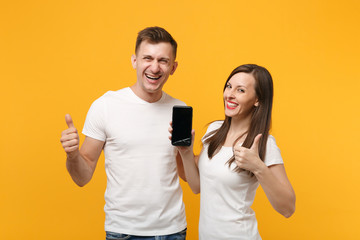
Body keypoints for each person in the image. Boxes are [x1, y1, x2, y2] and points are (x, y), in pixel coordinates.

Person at [60, 26, 188, 240]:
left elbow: (189, 175)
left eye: (163, 61)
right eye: (147, 58)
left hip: (173, 230)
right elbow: (82, 177)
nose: (154, 68)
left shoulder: (180, 110)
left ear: (173, 67)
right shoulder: (106, 106)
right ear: (134, 61)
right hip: (123, 232)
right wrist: (72, 155)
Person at [169, 64, 296, 239]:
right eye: (229, 86)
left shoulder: (263, 143)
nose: (230, 94)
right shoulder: (214, 130)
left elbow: (288, 208)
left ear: (257, 99)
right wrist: (185, 151)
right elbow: (197, 187)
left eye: (241, 90)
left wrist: (258, 167)